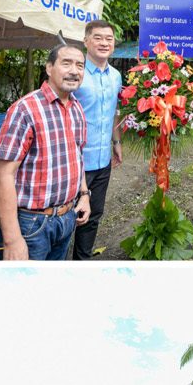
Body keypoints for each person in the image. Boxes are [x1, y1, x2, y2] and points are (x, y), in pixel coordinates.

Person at [0, 44, 91, 261]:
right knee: (20, 289)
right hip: (31, 225)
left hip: (66, 218)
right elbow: (3, 175)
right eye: (66, 63)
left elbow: (77, 157)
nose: (74, 71)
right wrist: (12, 239)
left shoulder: (77, 108)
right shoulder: (25, 109)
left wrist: (83, 195)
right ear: (49, 67)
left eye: (80, 65)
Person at [71, 20, 124, 259]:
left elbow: (113, 111)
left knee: (93, 216)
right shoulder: (76, 73)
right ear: (86, 41)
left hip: (102, 161)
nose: (104, 43)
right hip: (74, 162)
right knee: (65, 217)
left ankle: (81, 262)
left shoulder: (115, 76)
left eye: (109, 39)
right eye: (98, 37)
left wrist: (117, 142)